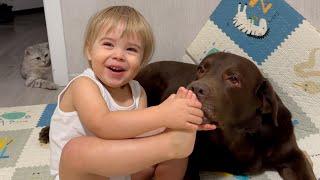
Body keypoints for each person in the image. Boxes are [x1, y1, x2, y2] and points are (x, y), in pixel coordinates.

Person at [49, 5, 216, 180]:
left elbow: (137, 134)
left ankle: (173, 144)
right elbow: (103, 125)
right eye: (108, 44)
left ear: (142, 61)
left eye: (131, 49)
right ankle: (171, 144)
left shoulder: (138, 92)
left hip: (122, 172)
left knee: (173, 144)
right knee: (76, 152)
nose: (119, 55)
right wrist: (163, 114)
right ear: (89, 51)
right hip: (78, 175)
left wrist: (182, 121)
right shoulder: (83, 85)